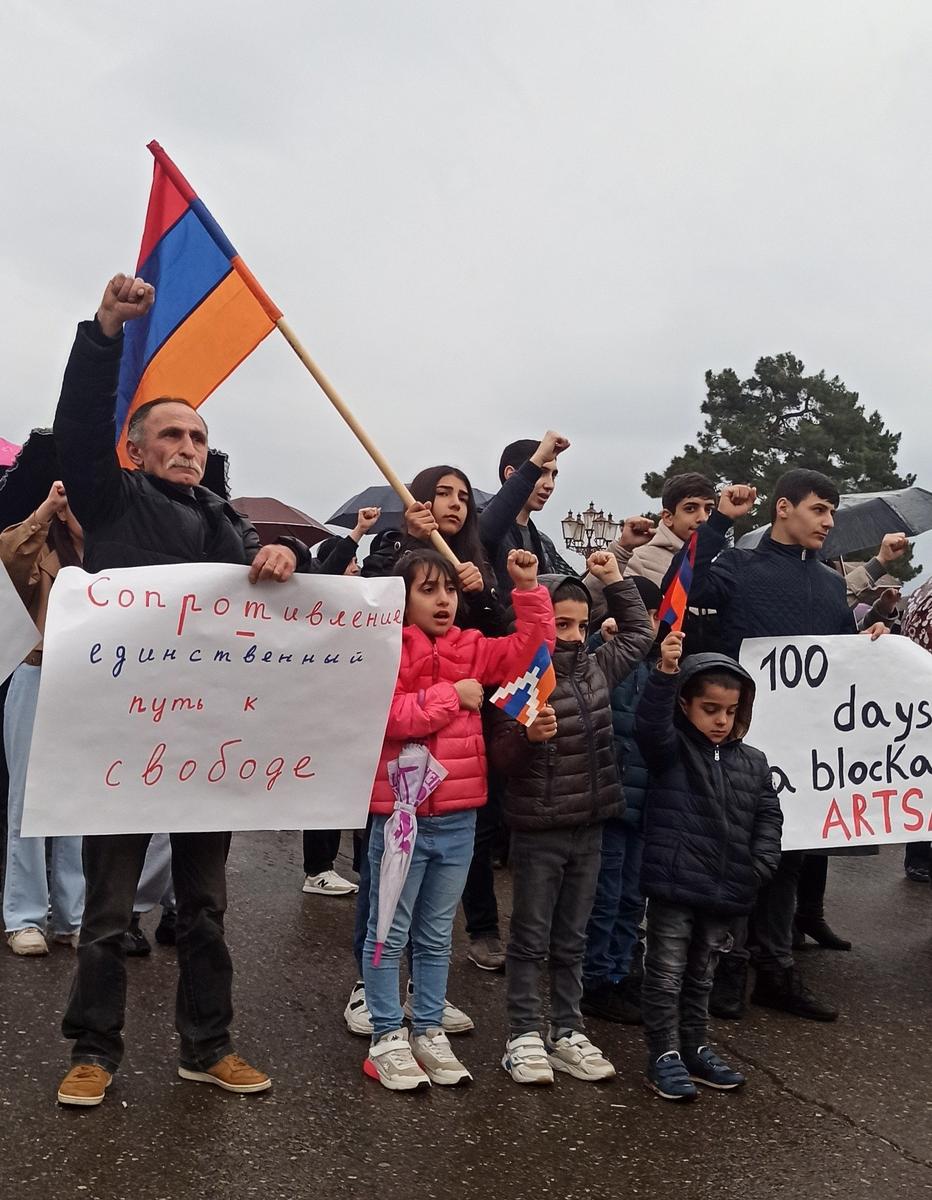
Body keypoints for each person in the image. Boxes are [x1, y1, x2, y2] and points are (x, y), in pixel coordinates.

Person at [52, 273, 310, 1108]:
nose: (189, 446)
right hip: (124, 740)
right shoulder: (112, 496)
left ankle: (210, 1046)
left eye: (198, 435)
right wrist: (103, 334)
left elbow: (276, 613)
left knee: (203, 908)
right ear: (135, 449)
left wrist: (282, 561)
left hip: (209, 745)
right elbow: (77, 426)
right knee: (108, 911)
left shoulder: (226, 521)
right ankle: (95, 1051)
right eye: (170, 433)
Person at [684, 468, 887, 1022]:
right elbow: (690, 586)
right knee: (734, 860)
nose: (828, 522)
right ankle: (726, 970)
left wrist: (868, 643)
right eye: (819, 509)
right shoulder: (738, 566)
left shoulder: (826, 583)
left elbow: (838, 656)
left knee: (789, 858)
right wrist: (720, 520)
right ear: (783, 509)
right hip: (740, 743)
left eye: (831, 512)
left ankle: (776, 972)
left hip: (803, 751)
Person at [362, 547, 554, 1090]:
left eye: (448, 589)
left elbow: (530, 655)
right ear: (402, 599)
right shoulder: (384, 649)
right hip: (400, 817)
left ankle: (427, 1028)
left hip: (459, 818)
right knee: (387, 931)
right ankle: (385, 1036)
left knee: (437, 931)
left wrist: (528, 591)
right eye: (427, 590)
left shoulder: (472, 646)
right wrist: (453, 696)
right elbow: (388, 716)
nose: (443, 599)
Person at [490, 550, 654, 1085]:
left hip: (592, 823)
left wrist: (612, 578)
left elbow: (640, 632)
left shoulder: (598, 665)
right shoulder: (524, 676)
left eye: (581, 625)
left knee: (573, 937)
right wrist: (524, 735)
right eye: (561, 624)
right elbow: (499, 759)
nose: (574, 635)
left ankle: (567, 1028)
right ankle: (522, 1033)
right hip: (539, 829)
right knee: (531, 937)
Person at [635, 633, 783, 1100]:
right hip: (675, 886)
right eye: (710, 709)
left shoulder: (754, 763)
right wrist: (664, 673)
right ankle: (664, 1053)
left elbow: (768, 817)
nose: (721, 721)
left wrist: (758, 867)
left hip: (726, 890)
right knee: (665, 972)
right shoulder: (671, 750)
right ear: (686, 706)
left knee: (703, 974)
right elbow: (648, 725)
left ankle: (695, 1046)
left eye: (730, 711)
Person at [1, 481, 86, 956]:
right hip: (36, 673)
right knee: (27, 803)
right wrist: (45, 513)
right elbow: (7, 563)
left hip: (89, 686)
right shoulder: (39, 549)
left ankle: (71, 914)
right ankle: (24, 915)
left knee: (78, 801)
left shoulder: (113, 547)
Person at [580, 575, 664, 1025]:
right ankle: (596, 978)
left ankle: (620, 970)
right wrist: (599, 637)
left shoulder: (662, 667)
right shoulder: (607, 659)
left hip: (645, 802)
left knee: (632, 896)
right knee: (606, 894)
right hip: (612, 801)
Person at [302, 508, 381, 898]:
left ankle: (341, 865)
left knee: (349, 789)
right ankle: (317, 868)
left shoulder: (360, 605)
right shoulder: (322, 601)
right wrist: (357, 533)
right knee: (325, 789)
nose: (355, 569)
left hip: (348, 710)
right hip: (323, 712)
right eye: (351, 562)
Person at [480, 436, 576, 595]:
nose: (549, 485)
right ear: (511, 475)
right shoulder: (480, 523)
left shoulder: (544, 543)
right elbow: (487, 532)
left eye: (553, 475)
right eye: (541, 473)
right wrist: (538, 458)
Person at [625, 472, 717, 587]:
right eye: (690, 508)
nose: (703, 518)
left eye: (708, 510)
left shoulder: (716, 564)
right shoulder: (637, 559)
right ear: (668, 517)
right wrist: (621, 549)